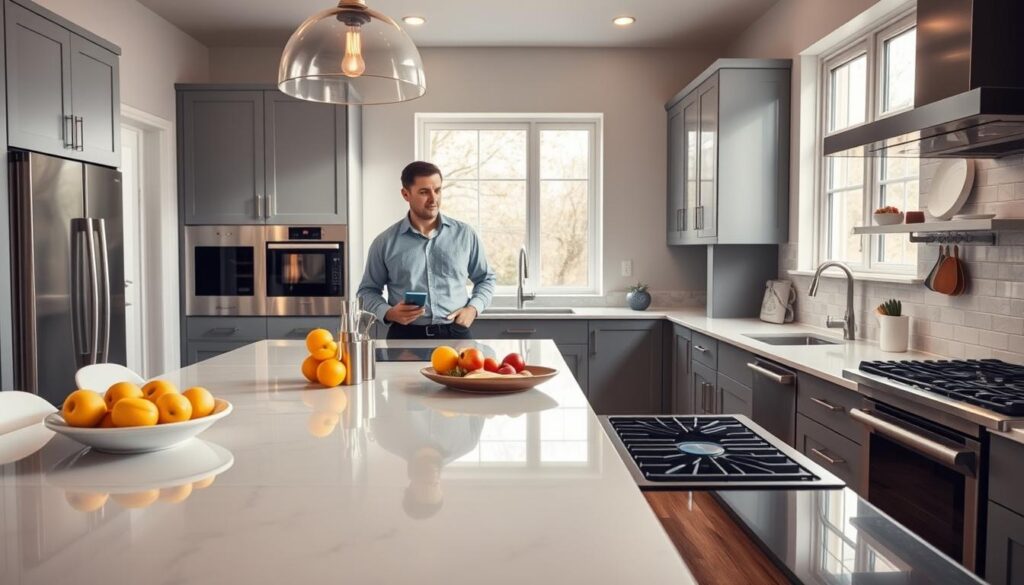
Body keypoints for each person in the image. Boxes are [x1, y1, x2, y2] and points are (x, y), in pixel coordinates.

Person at [358, 161, 496, 339]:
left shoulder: (465, 235)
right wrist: (389, 312)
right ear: (405, 194)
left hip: (455, 333)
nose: (433, 199)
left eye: (437, 190)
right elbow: (367, 291)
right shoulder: (384, 242)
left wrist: (473, 308)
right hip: (405, 336)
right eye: (424, 192)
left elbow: (486, 278)